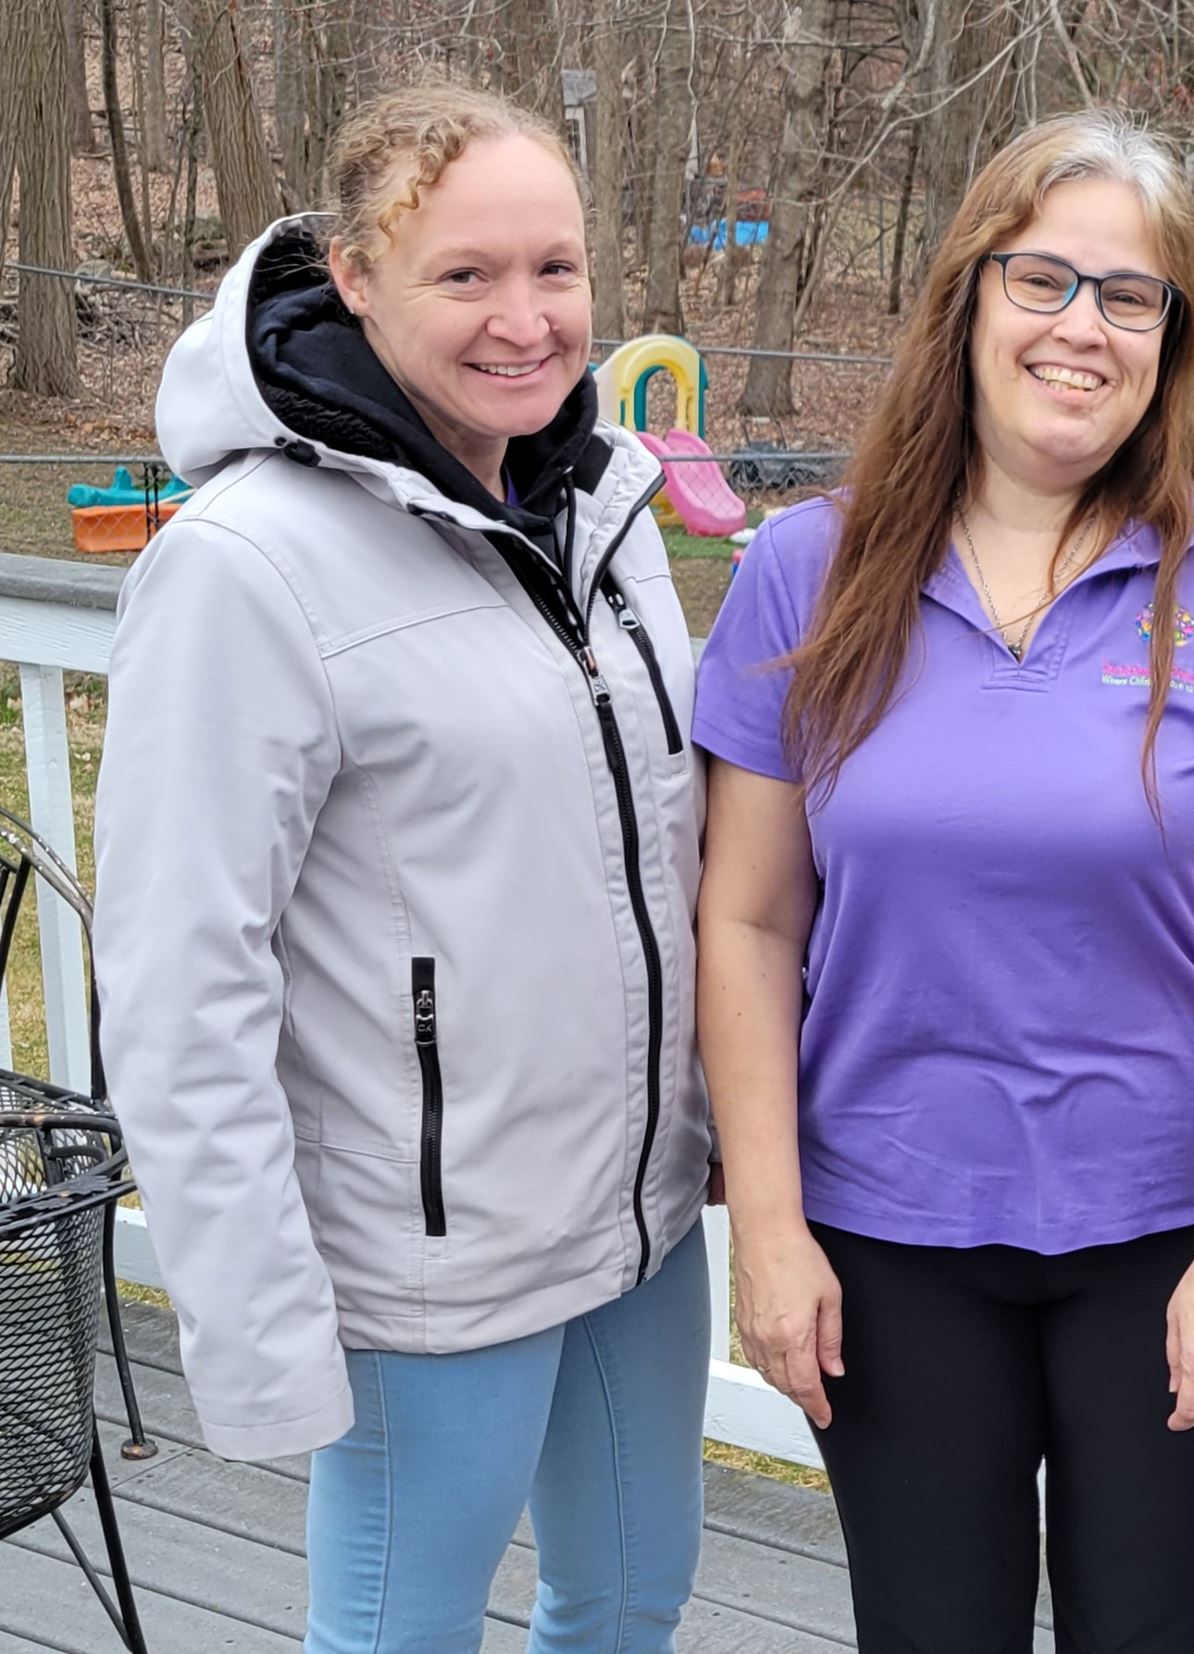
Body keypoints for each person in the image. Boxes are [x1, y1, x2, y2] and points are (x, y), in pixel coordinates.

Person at [694, 110, 1194, 1653]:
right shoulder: (811, 571)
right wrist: (774, 1232)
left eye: (1130, 297)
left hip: (1164, 1240)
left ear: (1170, 339)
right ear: (969, 300)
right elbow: (745, 917)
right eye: (1044, 279)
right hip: (889, 1235)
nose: (1084, 327)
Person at [93, 84, 712, 1651]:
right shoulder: (246, 563)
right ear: (355, 278)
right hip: (424, 1264)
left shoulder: (608, 501)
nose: (525, 319)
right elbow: (179, 978)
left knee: (628, 1604)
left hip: (636, 1218)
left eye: (556, 269)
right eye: (465, 275)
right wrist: (259, 1332)